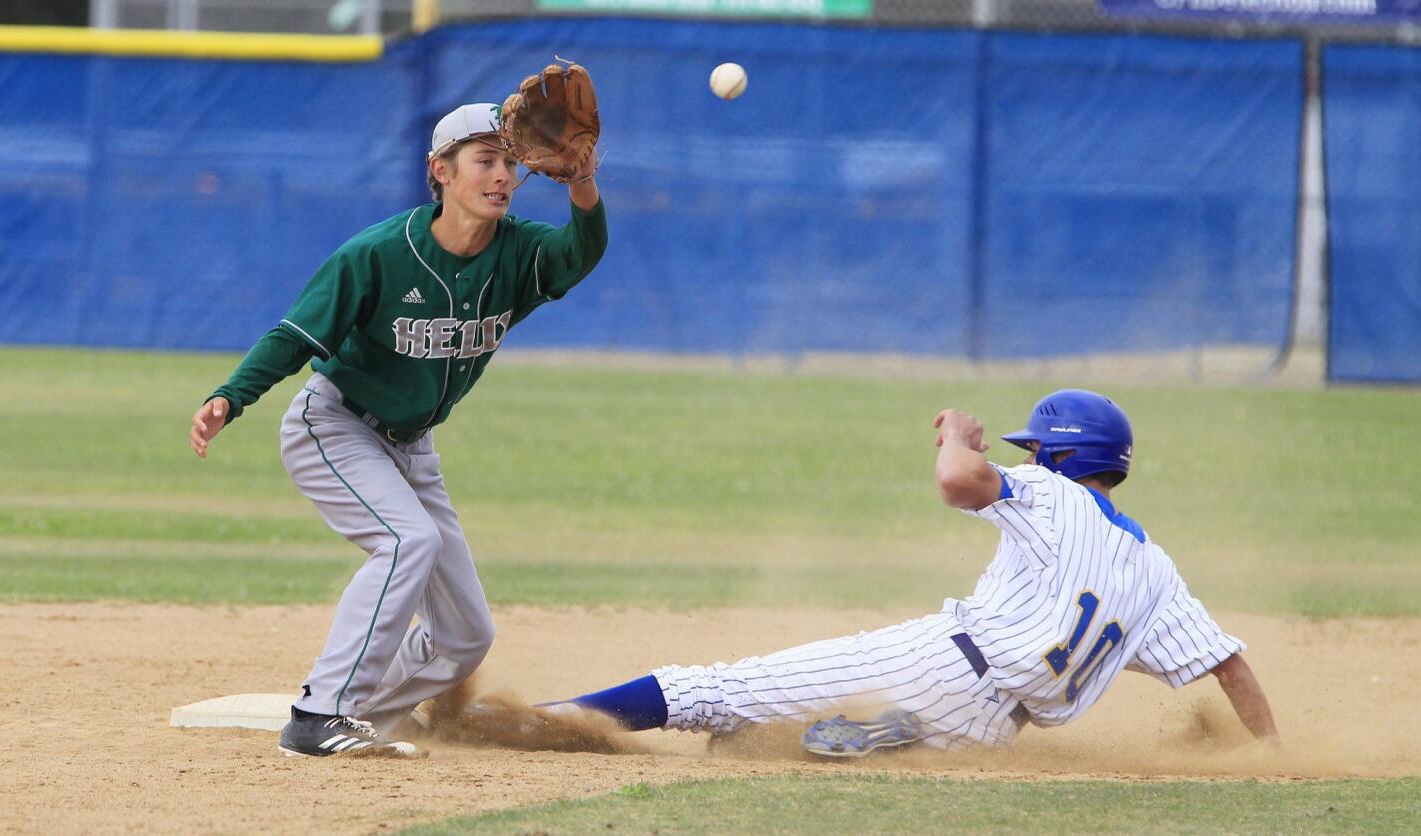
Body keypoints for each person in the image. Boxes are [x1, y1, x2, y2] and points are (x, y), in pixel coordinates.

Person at [189, 102, 606, 756]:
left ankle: (367, 717)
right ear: (439, 171)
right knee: (407, 541)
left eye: (509, 163)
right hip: (334, 426)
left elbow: (579, 252)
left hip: (413, 447)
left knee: (466, 635)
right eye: (484, 161)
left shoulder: (518, 254)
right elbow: (295, 334)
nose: (501, 176)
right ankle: (319, 714)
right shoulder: (379, 254)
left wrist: (581, 181)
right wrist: (230, 398)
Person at [544, 390, 1279, 756]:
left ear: (1061, 459)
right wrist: (1271, 759)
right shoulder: (1156, 572)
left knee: (716, 692)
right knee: (758, 748)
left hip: (944, 664)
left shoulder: (1051, 495)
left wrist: (958, 436)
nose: (1023, 462)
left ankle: (536, 721)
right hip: (987, 733)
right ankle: (859, 736)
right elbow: (1230, 668)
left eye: (1033, 452)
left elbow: (958, 481)